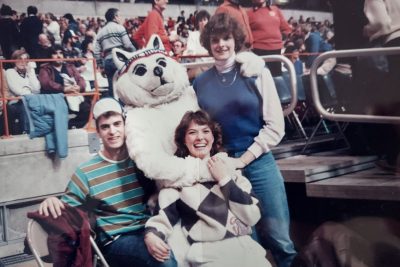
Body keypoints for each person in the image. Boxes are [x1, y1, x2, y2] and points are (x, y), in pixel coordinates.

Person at [194, 13, 296, 267]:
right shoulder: (200, 82)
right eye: (215, 40)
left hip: (259, 161)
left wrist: (244, 159)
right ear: (208, 44)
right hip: (225, 166)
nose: (221, 45)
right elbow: (200, 130)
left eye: (226, 38)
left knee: (280, 238)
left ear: (235, 39)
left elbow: (276, 125)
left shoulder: (255, 72)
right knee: (248, 239)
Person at [37, 97, 177, 267]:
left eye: (117, 124)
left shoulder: (139, 161)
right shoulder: (86, 172)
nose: (112, 131)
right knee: (164, 261)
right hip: (116, 240)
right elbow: (70, 211)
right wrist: (53, 200)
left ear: (125, 126)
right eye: (105, 126)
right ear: (98, 132)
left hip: (148, 228)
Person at [144, 110, 271, 267]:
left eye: (206, 131)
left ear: (213, 137)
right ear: (184, 140)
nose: (200, 137)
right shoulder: (177, 182)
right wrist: (151, 235)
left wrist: (224, 179)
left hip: (246, 249)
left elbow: (252, 215)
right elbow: (161, 220)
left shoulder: (232, 172)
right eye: (192, 132)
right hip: (209, 255)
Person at [38, 44, 89, 128]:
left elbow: (80, 79)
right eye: (55, 54)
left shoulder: (70, 66)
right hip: (56, 98)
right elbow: (46, 83)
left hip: (73, 96)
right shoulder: (45, 69)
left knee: (88, 107)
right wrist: (64, 89)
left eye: (60, 53)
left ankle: (71, 124)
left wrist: (79, 87)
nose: (58, 56)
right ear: (50, 56)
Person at [94, 8, 136, 98]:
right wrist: (135, 53)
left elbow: (96, 52)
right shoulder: (120, 28)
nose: (121, 18)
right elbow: (128, 45)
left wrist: (101, 66)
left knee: (112, 89)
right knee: (124, 87)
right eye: (119, 16)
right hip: (120, 59)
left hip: (107, 61)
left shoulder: (100, 32)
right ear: (115, 17)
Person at [247, 0, 292, 76]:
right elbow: (245, 33)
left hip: (276, 51)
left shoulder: (275, 9)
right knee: (261, 79)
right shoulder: (248, 13)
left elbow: (286, 29)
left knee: (277, 78)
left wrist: (281, 38)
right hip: (258, 52)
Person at [5, 49, 40, 134]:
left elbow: (37, 89)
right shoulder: (9, 72)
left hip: (31, 100)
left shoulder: (30, 72)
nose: (23, 62)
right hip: (16, 102)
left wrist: (31, 72)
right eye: (19, 59)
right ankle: (26, 131)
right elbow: (18, 91)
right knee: (24, 104)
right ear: (14, 61)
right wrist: (29, 90)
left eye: (25, 60)